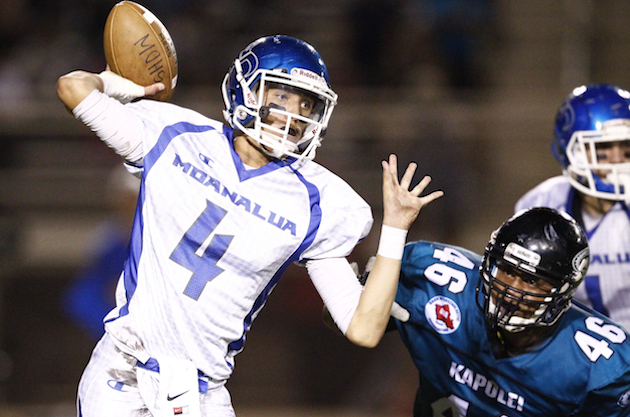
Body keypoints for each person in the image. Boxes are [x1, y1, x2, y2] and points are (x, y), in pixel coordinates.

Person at [56, 34, 444, 417]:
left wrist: (395, 227)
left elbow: (363, 327)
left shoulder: (319, 202)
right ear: (246, 89)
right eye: (281, 96)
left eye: (306, 103)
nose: (294, 114)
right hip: (123, 372)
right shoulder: (176, 134)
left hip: (201, 390)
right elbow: (73, 87)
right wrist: (115, 83)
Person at [386, 207, 630, 416]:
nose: (512, 290)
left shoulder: (602, 363)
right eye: (508, 271)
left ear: (563, 290)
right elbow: (358, 320)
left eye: (531, 280)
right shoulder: (435, 280)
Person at [515, 83, 630, 329]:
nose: (618, 160)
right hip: (571, 350)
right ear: (572, 151)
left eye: (627, 148)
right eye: (603, 148)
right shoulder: (542, 203)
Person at [61, 165, 140, 341]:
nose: (130, 204)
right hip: (125, 334)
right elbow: (82, 298)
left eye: (134, 198)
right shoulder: (107, 239)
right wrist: (117, 334)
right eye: (126, 198)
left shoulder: (171, 236)